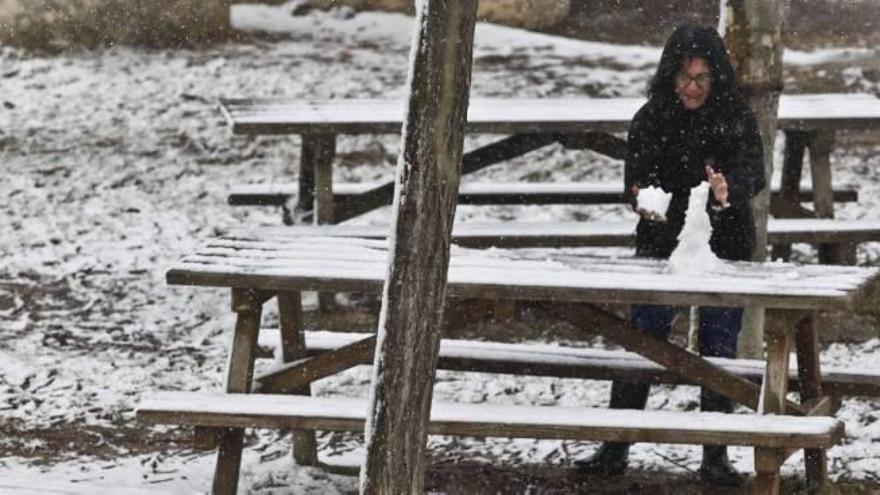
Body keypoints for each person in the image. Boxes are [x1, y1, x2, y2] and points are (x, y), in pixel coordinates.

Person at [575, 24, 765, 486]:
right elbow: (635, 178)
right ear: (669, 76)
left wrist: (727, 190)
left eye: (701, 79)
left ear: (717, 78)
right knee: (643, 336)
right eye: (683, 78)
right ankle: (616, 444)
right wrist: (641, 197)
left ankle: (714, 454)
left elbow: (752, 174)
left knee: (718, 347)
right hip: (660, 244)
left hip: (726, 245)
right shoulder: (651, 117)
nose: (691, 88)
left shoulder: (736, 117)